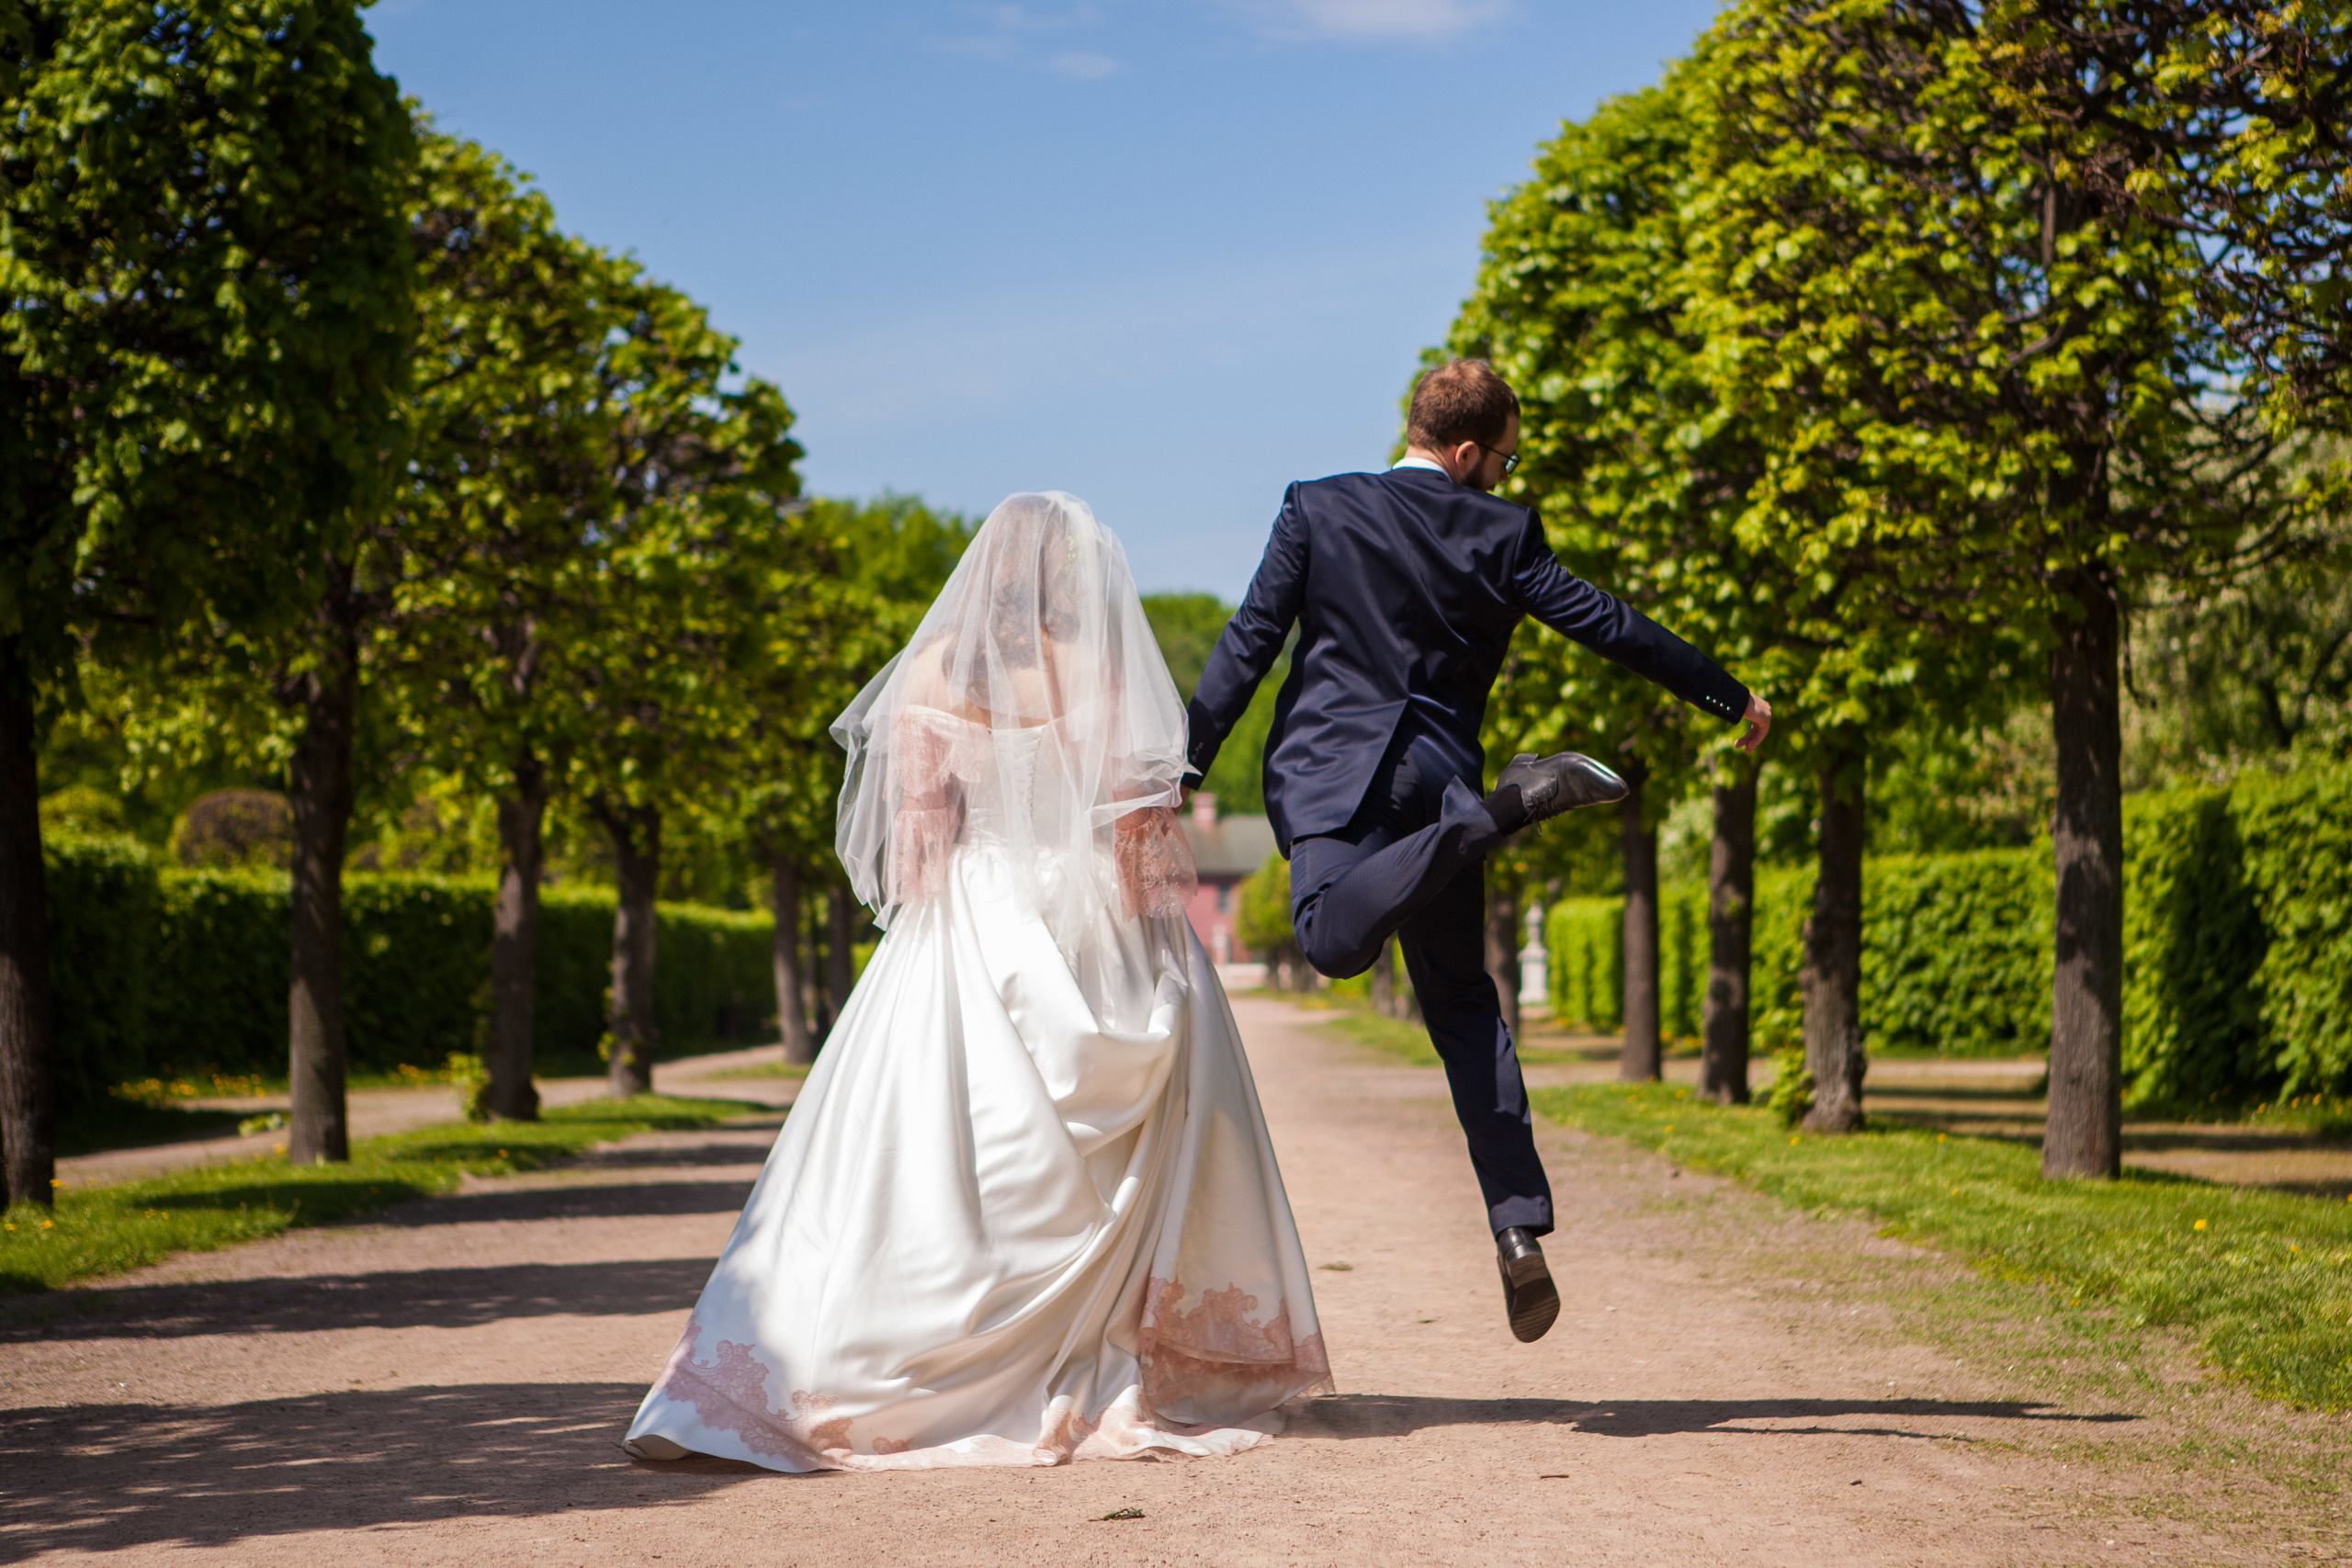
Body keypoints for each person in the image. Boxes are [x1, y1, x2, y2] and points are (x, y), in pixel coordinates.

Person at [622, 491, 1331, 1472]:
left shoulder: (934, 667)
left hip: (977, 907)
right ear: (1078, 578)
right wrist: (1156, 951)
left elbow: (919, 841)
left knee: (915, 1145)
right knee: (1148, 1118)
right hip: (1090, 916)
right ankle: (1113, 1348)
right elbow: (1138, 835)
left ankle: (847, 1363)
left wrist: (962, 887)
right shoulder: (1105, 665)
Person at [1184, 359, 1770, 1344]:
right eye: (1504, 457)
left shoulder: (1317, 508)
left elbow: (1249, 642)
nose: (1505, 475)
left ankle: (1502, 813)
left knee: (1330, 939)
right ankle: (1516, 1228)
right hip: (1439, 782)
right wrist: (1725, 694)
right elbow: (1612, 626)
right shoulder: (1502, 533)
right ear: (1464, 451)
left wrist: (1184, 768)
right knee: (1462, 1008)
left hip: (1342, 783)